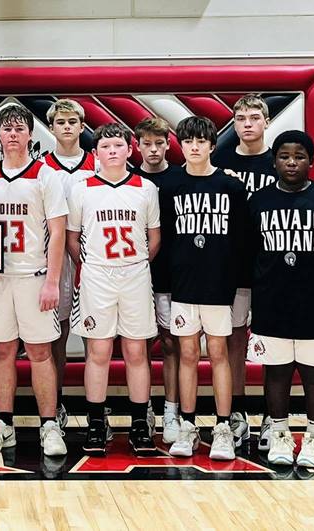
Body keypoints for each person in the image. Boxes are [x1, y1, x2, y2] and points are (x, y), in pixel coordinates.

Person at [248, 130, 314, 468]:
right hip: (271, 303)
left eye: (299, 156)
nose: (292, 162)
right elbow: (247, 251)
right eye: (284, 156)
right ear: (274, 160)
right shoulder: (259, 202)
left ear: (312, 161)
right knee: (276, 373)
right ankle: (279, 435)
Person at [0, 105, 68, 457]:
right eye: (7, 128)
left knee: (41, 352)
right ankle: (4, 424)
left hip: (34, 276)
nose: (13, 134)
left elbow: (57, 233)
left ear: (31, 134)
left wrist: (53, 282)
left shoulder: (46, 176)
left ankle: (49, 425)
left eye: (19, 128)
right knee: (2, 351)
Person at [67, 123, 161, 456]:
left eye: (117, 145)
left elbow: (154, 239)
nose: (111, 151)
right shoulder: (82, 189)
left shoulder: (146, 188)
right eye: (104, 146)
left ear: (129, 149)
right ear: (95, 153)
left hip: (135, 274)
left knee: (137, 352)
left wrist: (132, 265)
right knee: (99, 352)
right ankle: (96, 422)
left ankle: (139, 423)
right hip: (96, 276)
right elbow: (72, 239)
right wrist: (95, 266)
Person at [162, 116, 248, 461]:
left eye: (201, 141)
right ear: (180, 146)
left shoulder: (232, 187)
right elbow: (163, 239)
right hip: (183, 286)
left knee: (218, 353)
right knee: (186, 354)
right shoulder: (168, 185)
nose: (194, 147)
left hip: (218, 286)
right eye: (188, 142)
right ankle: (187, 426)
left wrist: (237, 285)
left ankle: (223, 427)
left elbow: (242, 240)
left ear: (212, 146)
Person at [212, 94, 278, 448]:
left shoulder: (279, 161)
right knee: (234, 341)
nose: (247, 123)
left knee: (269, 343)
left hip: (269, 266)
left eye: (254, 117)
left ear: (266, 122)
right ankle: (237, 413)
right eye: (240, 118)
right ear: (234, 124)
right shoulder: (220, 160)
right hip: (233, 267)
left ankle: (272, 415)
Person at [44, 98, 97, 427]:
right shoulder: (41, 167)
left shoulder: (99, 163)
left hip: (93, 257)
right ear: (51, 128)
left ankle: (97, 405)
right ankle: (57, 400)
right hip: (55, 258)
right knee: (56, 332)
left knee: (98, 334)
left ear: (81, 126)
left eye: (71, 121)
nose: (66, 127)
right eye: (60, 122)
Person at [132, 117, 182, 444]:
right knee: (136, 347)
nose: (153, 149)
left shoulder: (179, 178)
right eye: (147, 143)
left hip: (170, 273)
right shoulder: (127, 179)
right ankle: (143, 408)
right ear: (137, 145)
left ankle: (171, 410)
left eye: (159, 143)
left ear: (167, 144)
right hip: (131, 275)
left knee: (169, 342)